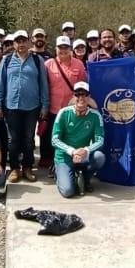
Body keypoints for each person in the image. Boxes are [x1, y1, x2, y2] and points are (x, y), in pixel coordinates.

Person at [0, 30, 49, 183]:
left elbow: (43, 85)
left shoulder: (37, 61)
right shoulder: (6, 61)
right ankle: (14, 168)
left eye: (24, 40)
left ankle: (27, 167)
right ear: (14, 44)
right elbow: (0, 84)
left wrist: (45, 105)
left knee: (28, 139)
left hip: (32, 107)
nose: (21, 44)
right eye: (18, 41)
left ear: (28, 42)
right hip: (11, 106)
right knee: (13, 140)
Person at [41, 35, 88, 177]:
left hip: (71, 109)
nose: (63, 50)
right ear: (55, 49)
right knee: (52, 137)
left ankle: (67, 164)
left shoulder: (78, 65)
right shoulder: (48, 64)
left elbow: (83, 88)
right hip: (52, 108)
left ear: (70, 49)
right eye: (60, 47)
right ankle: (53, 164)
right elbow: (43, 86)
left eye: (66, 47)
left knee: (68, 137)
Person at [50, 82, 105, 198]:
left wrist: (85, 150)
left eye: (84, 94)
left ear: (89, 97)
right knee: (68, 192)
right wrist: (72, 151)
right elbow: (54, 140)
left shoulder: (95, 115)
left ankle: (86, 179)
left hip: (83, 155)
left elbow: (100, 140)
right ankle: (58, 172)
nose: (81, 98)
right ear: (73, 97)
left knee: (99, 157)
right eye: (78, 94)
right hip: (65, 156)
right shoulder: (64, 113)